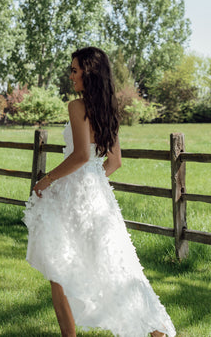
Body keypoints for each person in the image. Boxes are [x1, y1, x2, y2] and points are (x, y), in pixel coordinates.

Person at [23, 47, 176, 337]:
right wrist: (91, 182)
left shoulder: (77, 106)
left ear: (88, 73)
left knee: (59, 268)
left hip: (74, 197)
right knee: (114, 269)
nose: (71, 76)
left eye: (74, 70)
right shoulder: (108, 108)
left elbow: (81, 155)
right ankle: (154, 331)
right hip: (97, 197)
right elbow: (114, 161)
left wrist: (49, 180)